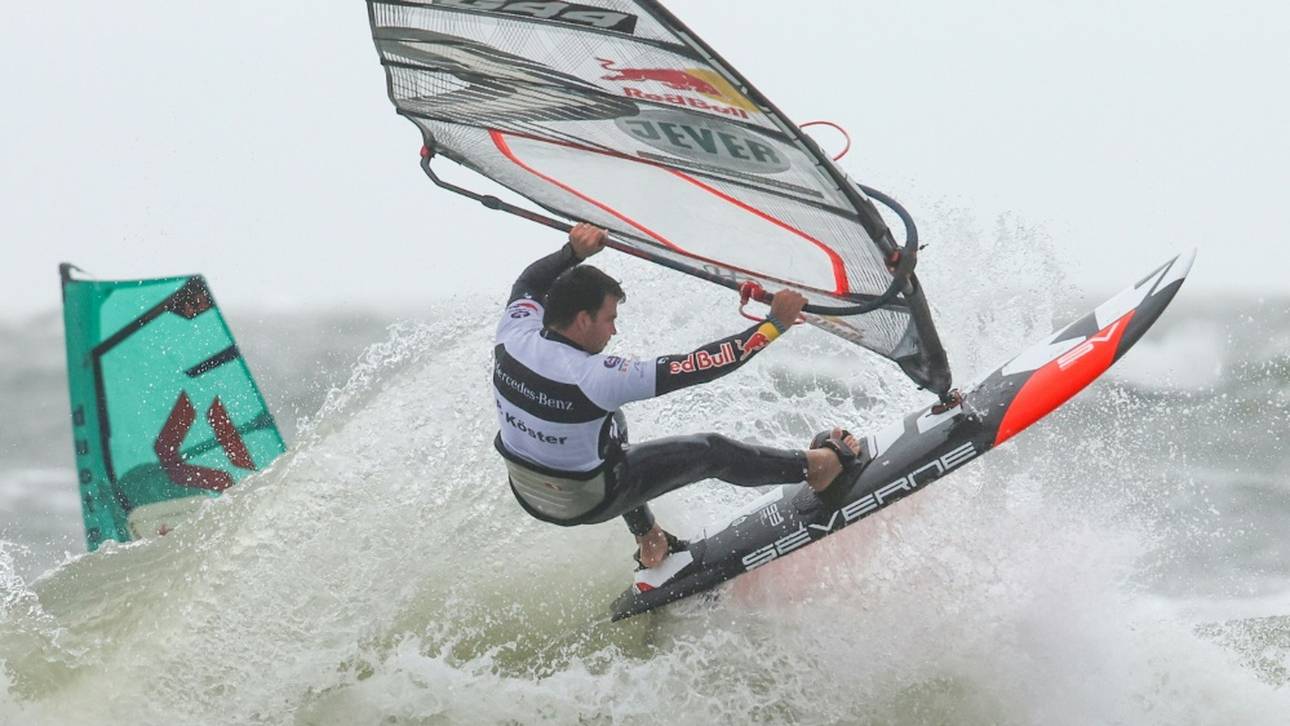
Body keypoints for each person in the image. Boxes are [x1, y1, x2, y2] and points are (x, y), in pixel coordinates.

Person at [493, 223, 860, 568]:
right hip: (588, 500)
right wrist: (774, 324)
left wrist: (571, 253)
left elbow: (529, 281)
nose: (614, 330)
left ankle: (651, 541)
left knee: (607, 427)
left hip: (529, 492)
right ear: (583, 319)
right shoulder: (595, 379)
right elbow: (701, 365)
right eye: (609, 318)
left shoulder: (513, 333)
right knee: (710, 451)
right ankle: (818, 468)